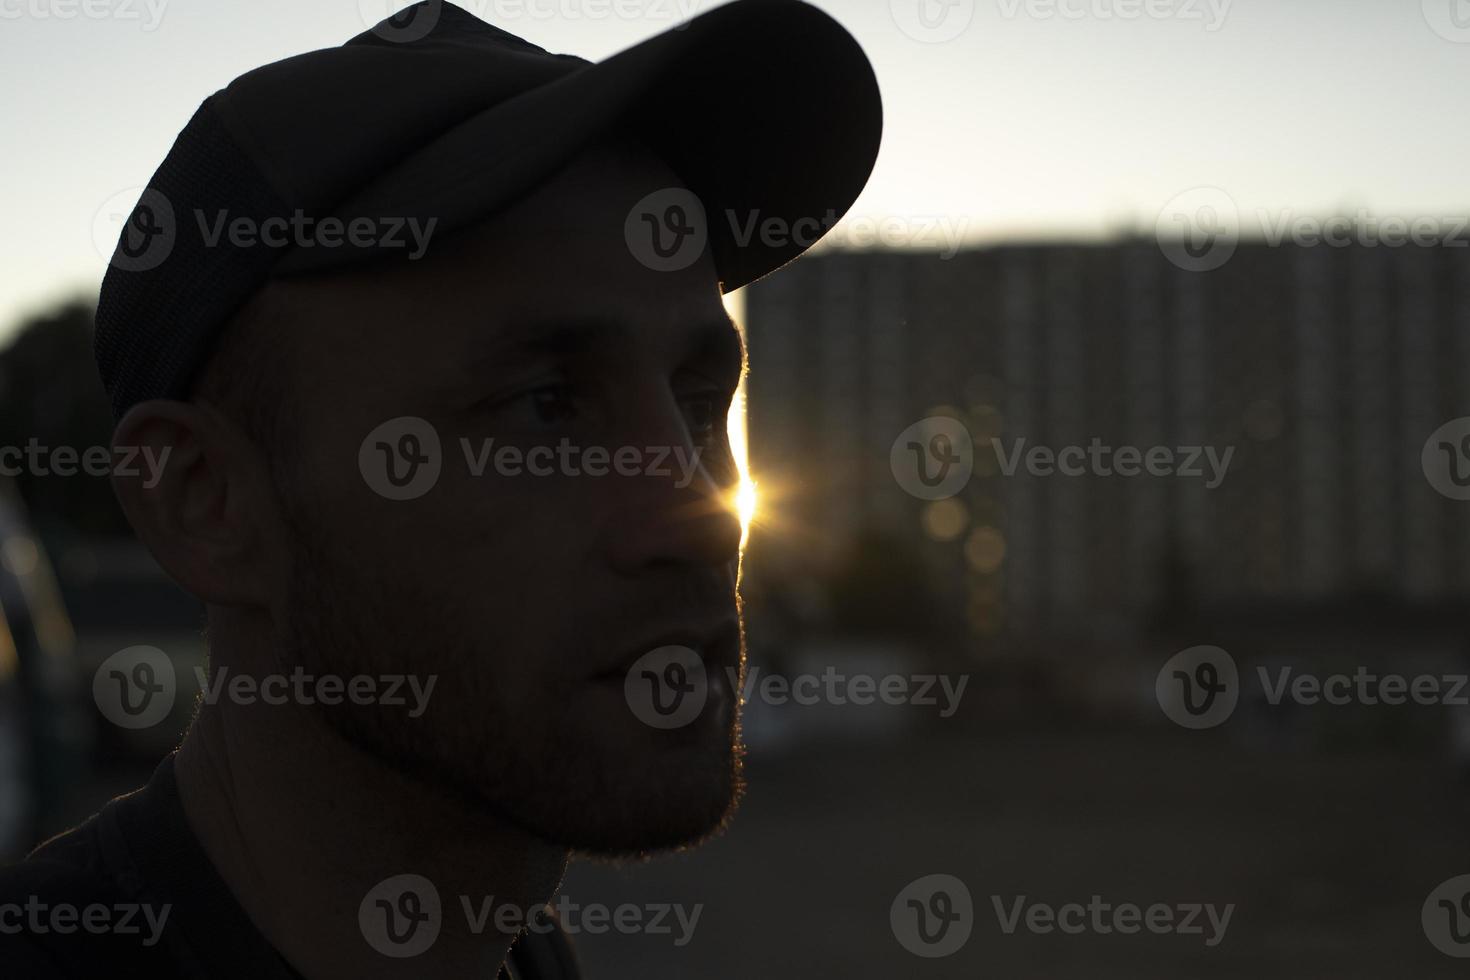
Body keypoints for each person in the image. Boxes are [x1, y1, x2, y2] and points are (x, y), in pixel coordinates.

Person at [0, 2, 881, 977]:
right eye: (546, 406)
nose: (707, 517)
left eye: (698, 397)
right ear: (206, 499)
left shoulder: (522, 953)